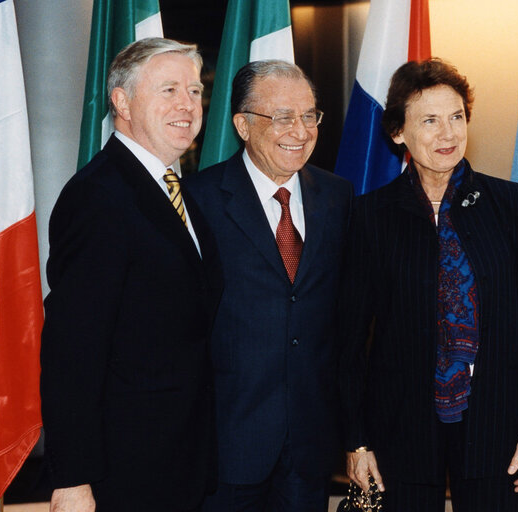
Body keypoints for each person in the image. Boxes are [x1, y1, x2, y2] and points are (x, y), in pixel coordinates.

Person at [338, 58, 518, 511]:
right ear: (398, 132)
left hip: (496, 428)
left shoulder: (511, 206)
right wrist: (356, 440)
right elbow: (346, 343)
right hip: (400, 432)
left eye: (457, 117)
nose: (448, 133)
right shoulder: (369, 216)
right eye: (430, 120)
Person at [40, 38, 222, 512]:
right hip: (121, 477)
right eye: (168, 90)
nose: (188, 104)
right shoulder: (97, 198)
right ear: (121, 101)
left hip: (182, 464)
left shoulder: (179, 191)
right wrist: (73, 479)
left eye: (195, 90)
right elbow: (71, 352)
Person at [187, 60, 352, 512]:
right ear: (242, 124)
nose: (299, 131)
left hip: (310, 447)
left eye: (309, 116)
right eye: (281, 117)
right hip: (226, 444)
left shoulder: (339, 198)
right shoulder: (197, 200)